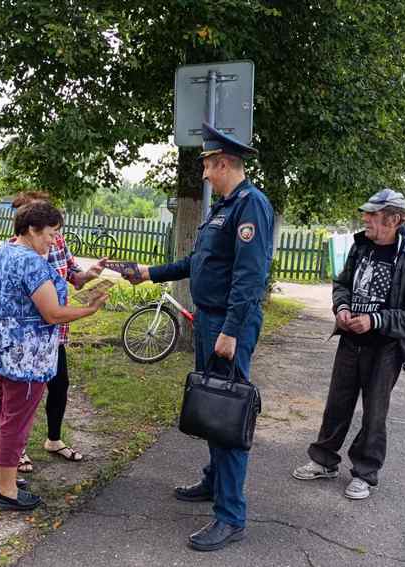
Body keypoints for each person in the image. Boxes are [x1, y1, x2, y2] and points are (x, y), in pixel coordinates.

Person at [125, 123, 273, 552]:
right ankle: (213, 482)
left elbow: (250, 278)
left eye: (208, 165)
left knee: (228, 415)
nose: (205, 173)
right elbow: (199, 261)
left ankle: (231, 516)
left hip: (228, 324)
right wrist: (150, 274)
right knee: (212, 405)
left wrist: (230, 330)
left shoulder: (251, 206)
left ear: (224, 163)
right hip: (210, 321)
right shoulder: (225, 206)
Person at [292, 189, 405, 500]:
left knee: (374, 413)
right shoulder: (361, 249)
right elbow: (342, 284)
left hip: (384, 350)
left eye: (373, 214)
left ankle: (365, 473)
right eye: (366, 213)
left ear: (394, 219)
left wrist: (375, 320)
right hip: (350, 343)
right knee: (336, 405)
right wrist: (341, 308)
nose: (365, 218)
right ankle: (324, 461)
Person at [0, 201, 107, 511]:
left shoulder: (3, 251)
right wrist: (88, 309)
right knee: (15, 421)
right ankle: (8, 493)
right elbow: (51, 314)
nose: (54, 240)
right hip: (26, 356)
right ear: (32, 230)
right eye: (50, 234)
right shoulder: (33, 263)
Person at [7, 192, 107, 473]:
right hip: (29, 338)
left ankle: (53, 439)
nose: (52, 237)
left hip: (56, 334)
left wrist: (92, 272)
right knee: (24, 394)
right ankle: (18, 449)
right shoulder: (13, 250)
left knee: (59, 385)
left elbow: (74, 277)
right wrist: (89, 310)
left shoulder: (58, 242)